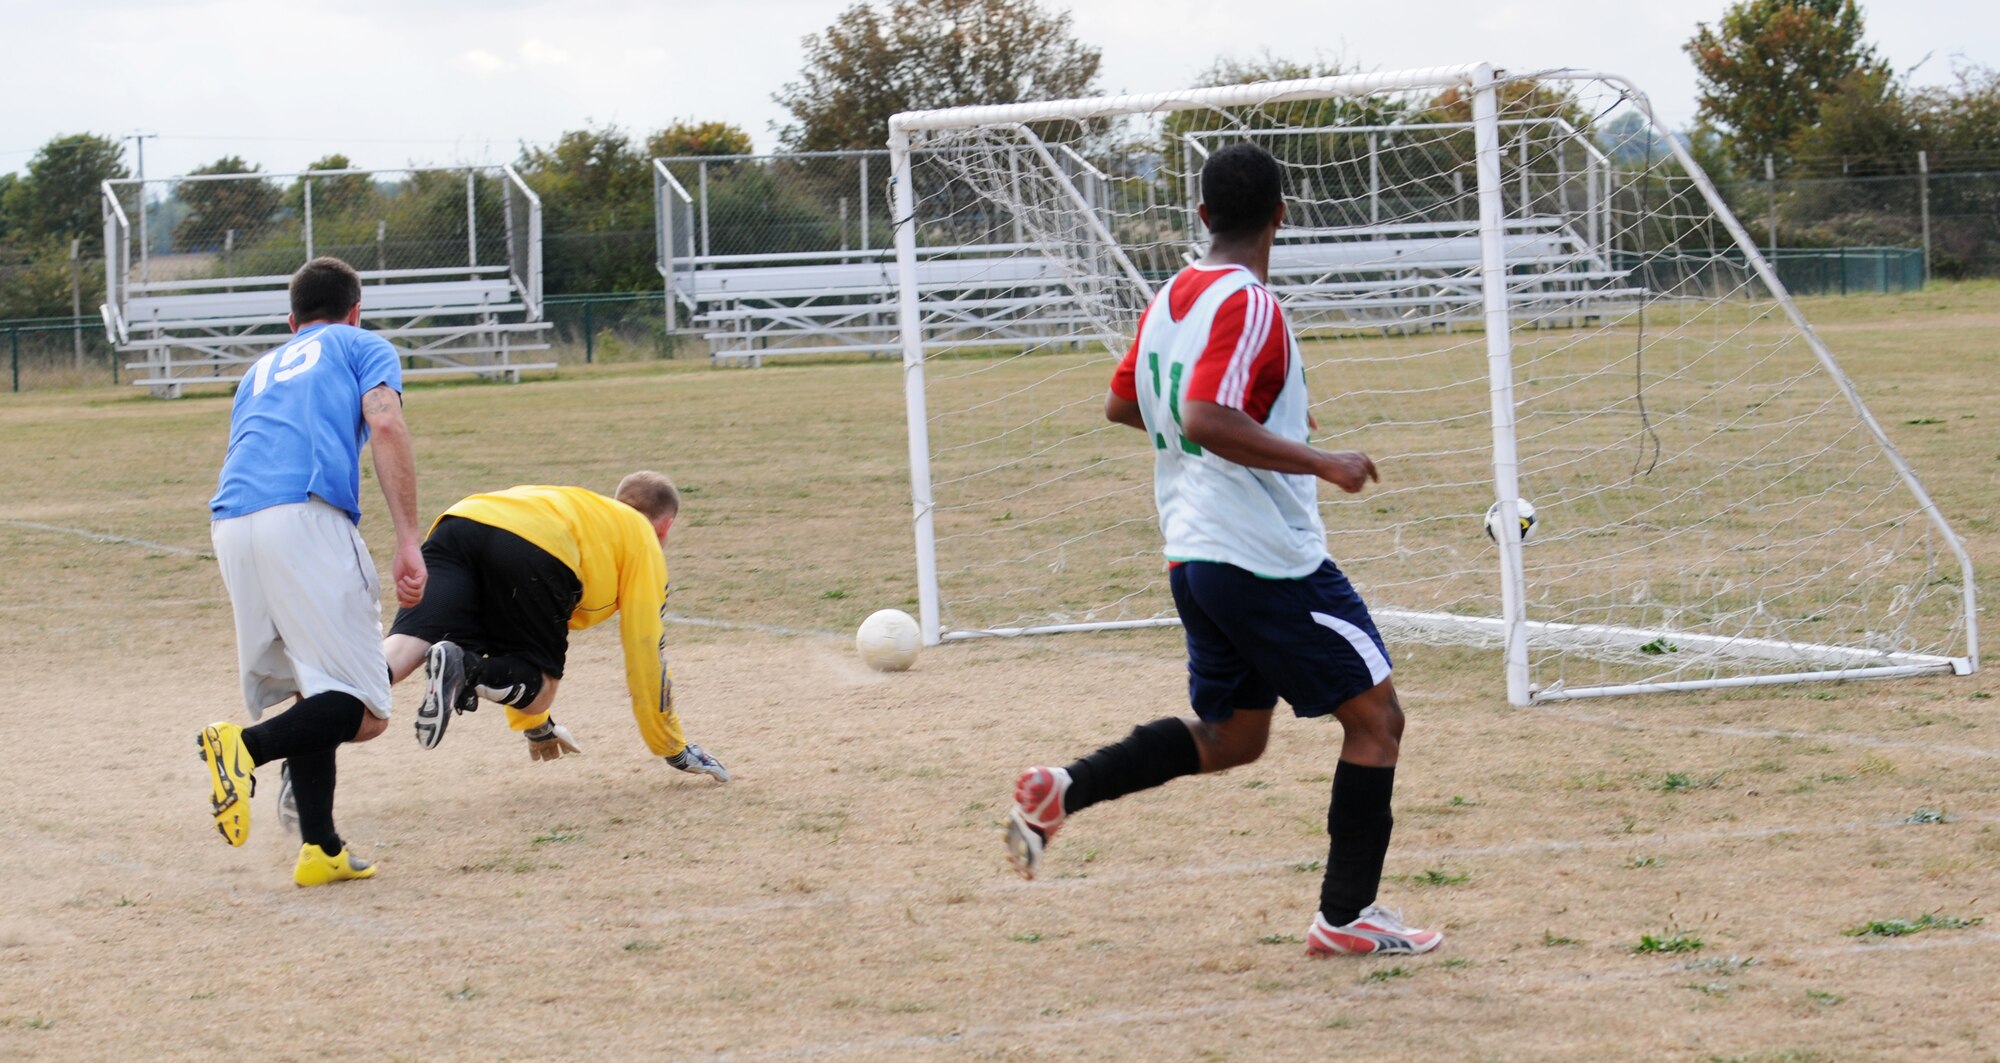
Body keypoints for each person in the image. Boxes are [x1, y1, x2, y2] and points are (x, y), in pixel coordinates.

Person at [1002, 143, 1440, 958]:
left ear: (1201, 215)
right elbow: (1206, 415)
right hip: (1264, 556)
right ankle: (1347, 917)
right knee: (1377, 720)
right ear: (1282, 214)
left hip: (1195, 555)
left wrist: (1251, 430)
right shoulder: (1251, 303)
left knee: (1237, 738)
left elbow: (1124, 404)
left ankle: (1068, 788)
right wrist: (1323, 459)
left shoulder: (1173, 293)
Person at [198, 256, 426, 888]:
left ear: (291, 320)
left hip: (232, 522)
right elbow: (384, 420)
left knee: (314, 686)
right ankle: (243, 749)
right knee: (365, 708)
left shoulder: (257, 369)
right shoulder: (364, 343)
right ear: (355, 311)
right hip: (302, 516)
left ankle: (320, 848)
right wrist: (409, 540)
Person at [379, 476, 730, 782]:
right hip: (534, 544)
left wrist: (537, 726)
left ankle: (332, 698)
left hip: (460, 521)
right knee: (541, 690)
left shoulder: (586, 510)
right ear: (665, 526)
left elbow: (515, 629)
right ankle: (465, 669)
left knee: (404, 648)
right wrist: (672, 747)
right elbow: (644, 648)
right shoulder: (642, 539)